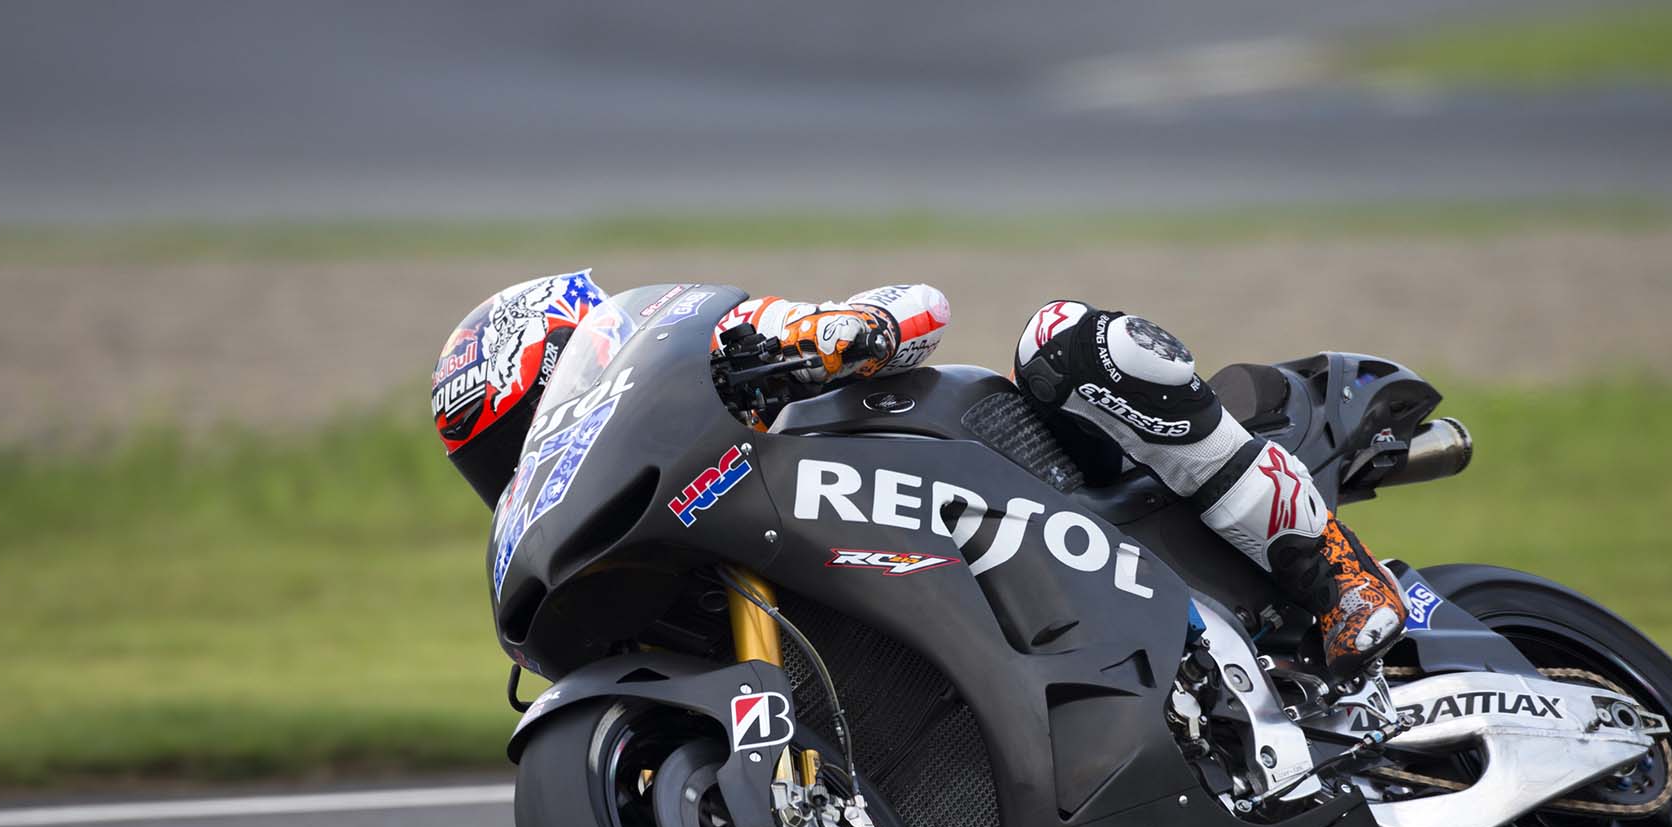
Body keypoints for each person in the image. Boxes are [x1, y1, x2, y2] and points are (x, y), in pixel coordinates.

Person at [432, 272, 1406, 681]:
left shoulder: (722, 371)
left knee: (1064, 340)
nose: (537, 457)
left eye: (533, 420)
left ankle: (1333, 569)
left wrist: (831, 337)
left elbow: (917, 306)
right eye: (500, 458)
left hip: (1040, 473)